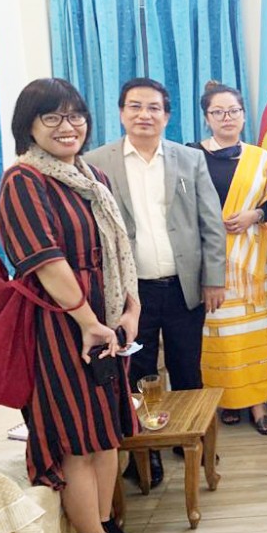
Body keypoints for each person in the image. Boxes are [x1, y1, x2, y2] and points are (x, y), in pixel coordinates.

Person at [0, 78, 150, 533]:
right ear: (29, 126)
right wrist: (90, 323)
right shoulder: (24, 181)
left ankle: (106, 525)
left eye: (76, 116)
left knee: (106, 433)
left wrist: (130, 310)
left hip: (105, 322)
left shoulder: (87, 174)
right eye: (53, 118)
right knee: (76, 440)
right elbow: (47, 263)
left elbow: (118, 251)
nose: (69, 127)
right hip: (60, 329)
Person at [84, 77, 226, 485]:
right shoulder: (97, 163)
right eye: (135, 107)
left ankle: (190, 441)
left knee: (186, 367)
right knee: (135, 370)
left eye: (153, 108)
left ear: (166, 115)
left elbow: (210, 224)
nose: (144, 115)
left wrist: (213, 278)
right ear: (121, 112)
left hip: (184, 285)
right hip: (131, 293)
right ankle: (145, 452)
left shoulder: (188, 159)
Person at [186, 81, 267, 435]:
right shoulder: (191, 155)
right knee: (220, 337)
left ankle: (258, 405)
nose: (227, 117)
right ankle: (226, 400)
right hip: (210, 263)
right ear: (207, 117)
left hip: (253, 266)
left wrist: (254, 216)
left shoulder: (263, 159)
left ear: (243, 115)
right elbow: (181, 207)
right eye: (218, 112)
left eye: (234, 111)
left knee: (253, 332)